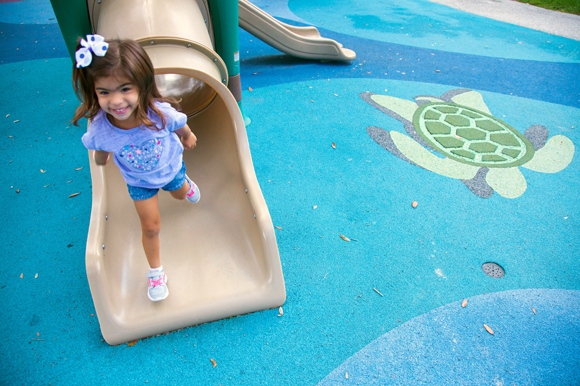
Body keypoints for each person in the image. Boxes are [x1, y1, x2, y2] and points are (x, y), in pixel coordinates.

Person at [71, 35, 200, 302]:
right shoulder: (100, 128)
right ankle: (156, 273)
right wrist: (100, 160)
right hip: (138, 182)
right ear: (93, 92)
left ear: (142, 85)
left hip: (171, 168)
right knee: (150, 227)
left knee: (179, 193)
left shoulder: (158, 113)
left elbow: (178, 124)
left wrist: (187, 136)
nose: (116, 101)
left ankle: (186, 185)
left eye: (124, 89)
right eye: (104, 92)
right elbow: (101, 147)